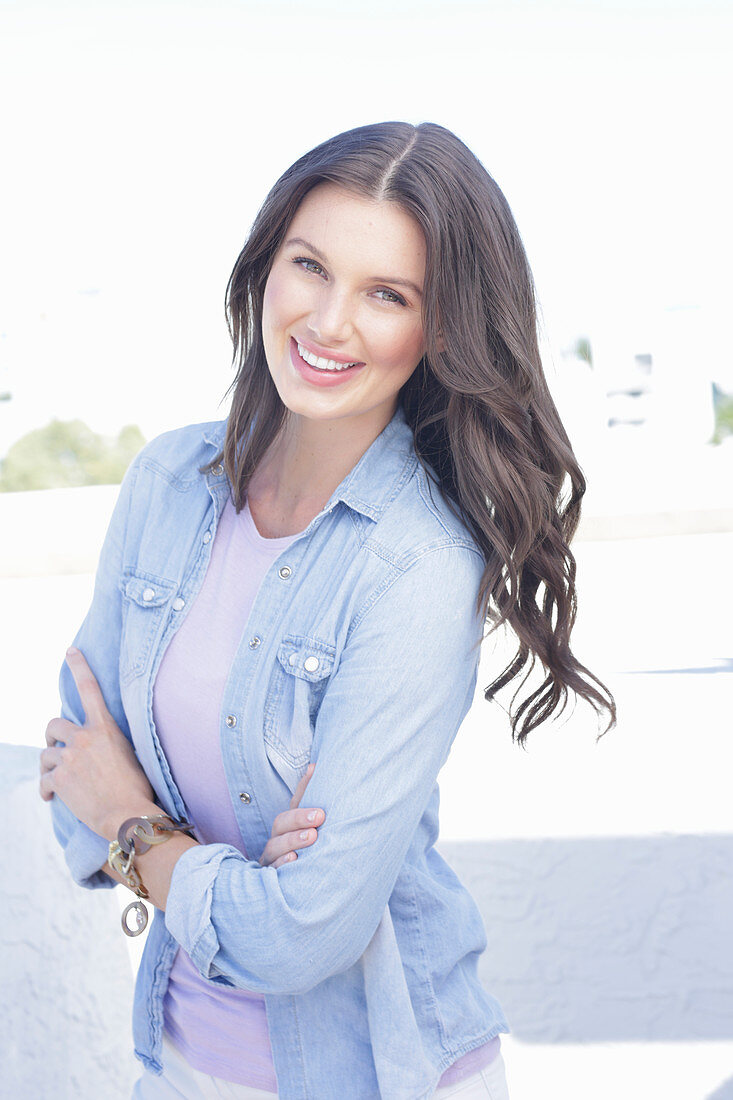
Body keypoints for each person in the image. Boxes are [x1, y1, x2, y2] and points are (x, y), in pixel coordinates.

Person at [39, 120, 616, 1100]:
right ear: (266, 265)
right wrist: (201, 855)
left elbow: (298, 932)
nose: (330, 320)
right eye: (311, 265)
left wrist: (139, 820)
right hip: (173, 1058)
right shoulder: (167, 482)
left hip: (370, 1073)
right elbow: (70, 794)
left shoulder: (417, 565)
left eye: (386, 293)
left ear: (436, 330)